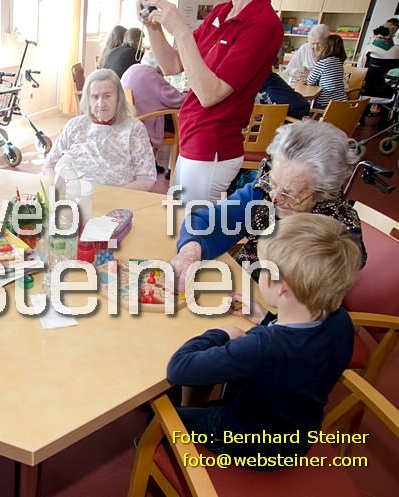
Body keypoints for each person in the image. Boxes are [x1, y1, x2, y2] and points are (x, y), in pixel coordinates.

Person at [167, 212, 362, 460]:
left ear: (282, 286)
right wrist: (266, 319)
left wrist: (221, 333)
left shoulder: (262, 346)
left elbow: (179, 369)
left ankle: (161, 454)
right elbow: (299, 352)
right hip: (296, 436)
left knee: (164, 414)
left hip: (248, 443)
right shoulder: (342, 322)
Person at [171, 120, 367, 294]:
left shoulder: (338, 233)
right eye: (273, 182)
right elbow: (207, 221)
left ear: (323, 193)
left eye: (289, 193)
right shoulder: (263, 190)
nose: (274, 197)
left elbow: (311, 305)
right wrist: (190, 253)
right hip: (243, 289)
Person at [138, 0, 283, 204]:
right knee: (176, 214)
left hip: (212, 143)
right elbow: (172, 65)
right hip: (192, 136)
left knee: (188, 219)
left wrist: (181, 31)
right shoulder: (222, 11)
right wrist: (152, 25)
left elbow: (209, 95)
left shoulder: (263, 24)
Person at [44, 69, 157, 191]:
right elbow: (49, 164)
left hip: (114, 198)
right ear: (88, 99)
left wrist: (112, 195)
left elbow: (146, 179)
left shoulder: (134, 128)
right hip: (70, 195)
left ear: (119, 98)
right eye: (95, 97)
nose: (101, 103)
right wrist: (56, 189)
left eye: (107, 96)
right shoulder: (75, 125)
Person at [121, 51, 187, 168]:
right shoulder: (152, 76)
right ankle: (172, 167)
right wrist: (188, 93)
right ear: (158, 66)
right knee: (182, 123)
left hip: (131, 120)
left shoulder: (133, 69)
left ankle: (157, 164)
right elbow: (176, 100)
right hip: (145, 123)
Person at [307, 34, 348, 109]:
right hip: (341, 102)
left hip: (326, 103)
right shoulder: (339, 62)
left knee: (304, 108)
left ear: (326, 47)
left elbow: (310, 82)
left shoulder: (323, 63)